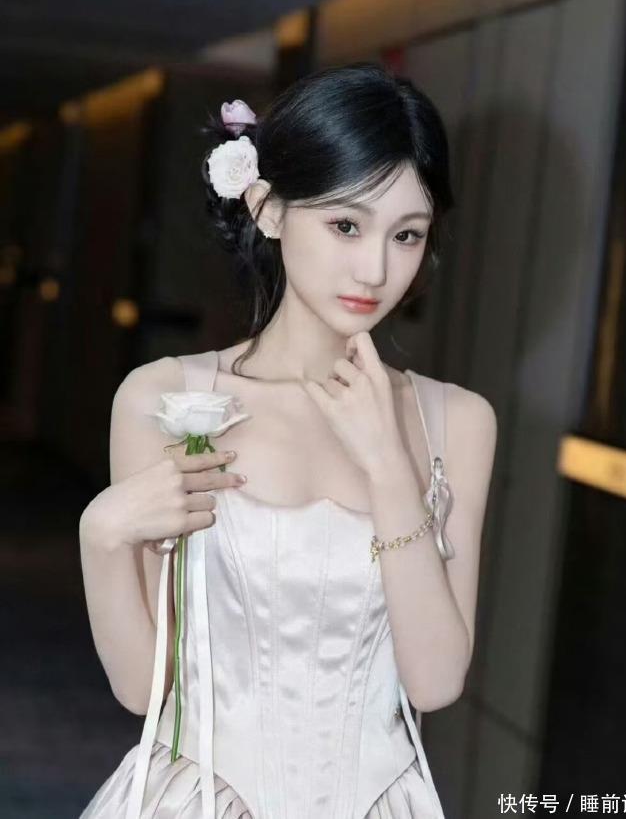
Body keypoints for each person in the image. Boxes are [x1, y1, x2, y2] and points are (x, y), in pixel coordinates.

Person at [78, 62, 497, 819]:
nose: (376, 268)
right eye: (346, 225)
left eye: (407, 234)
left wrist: (387, 465)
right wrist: (102, 536)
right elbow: (144, 691)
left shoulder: (457, 421)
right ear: (268, 209)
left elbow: (435, 681)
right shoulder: (167, 399)